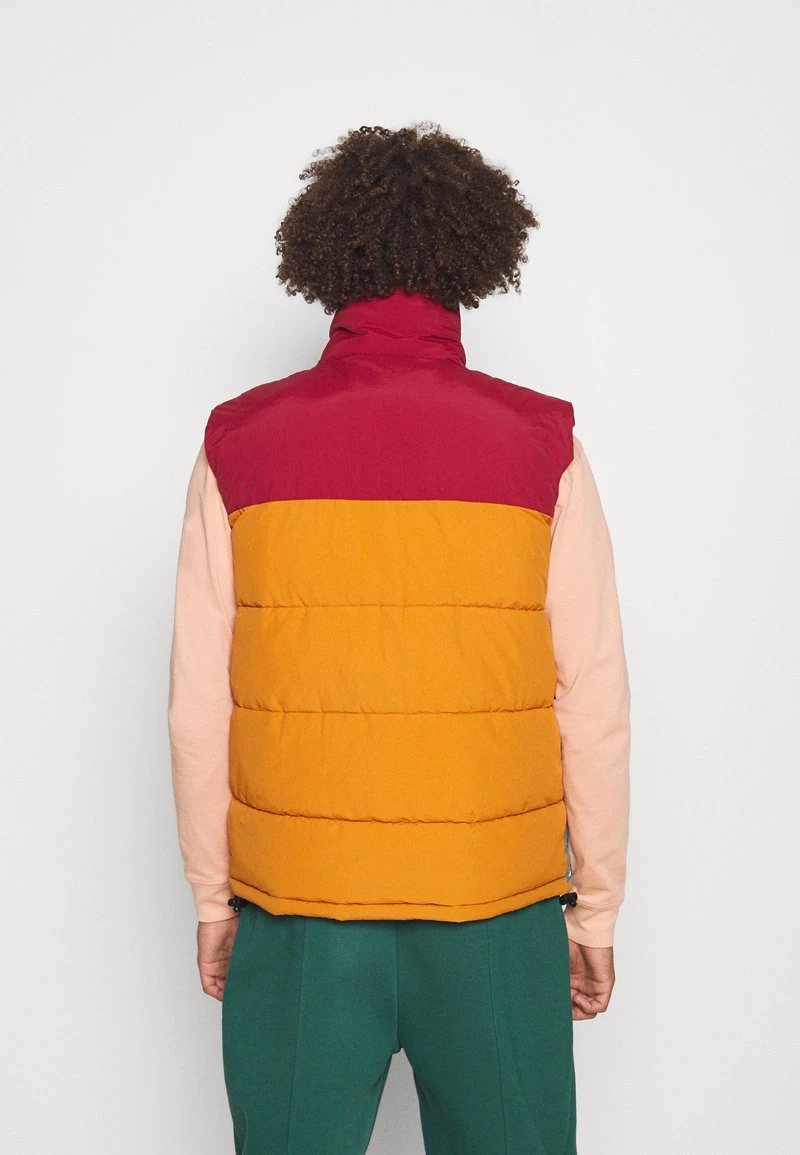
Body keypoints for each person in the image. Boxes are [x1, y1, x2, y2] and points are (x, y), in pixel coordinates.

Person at [167, 122, 631, 1155]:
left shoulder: (239, 442)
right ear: (475, 256)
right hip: (495, 906)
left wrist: (213, 897)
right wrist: (594, 908)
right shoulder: (542, 444)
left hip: (298, 905)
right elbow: (592, 698)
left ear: (325, 258)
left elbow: (199, 701)